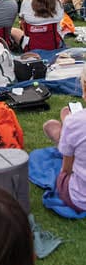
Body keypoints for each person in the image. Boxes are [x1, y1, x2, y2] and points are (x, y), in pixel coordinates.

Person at [43, 67, 86, 212]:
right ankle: (65, 134)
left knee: (58, 127)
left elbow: (66, 169)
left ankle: (63, 135)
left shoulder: (78, 122)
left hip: (79, 198)